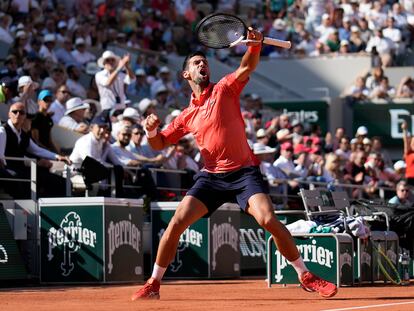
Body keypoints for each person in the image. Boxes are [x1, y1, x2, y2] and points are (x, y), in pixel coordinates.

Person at [131, 27, 337, 300]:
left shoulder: (225, 88)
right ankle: (153, 284)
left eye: (204, 61)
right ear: (186, 74)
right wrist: (151, 131)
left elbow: (246, 67)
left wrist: (254, 45)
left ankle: (305, 275)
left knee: (267, 219)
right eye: (196, 62)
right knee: (175, 224)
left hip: (243, 173)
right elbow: (159, 144)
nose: (202, 64)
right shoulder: (186, 115)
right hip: (211, 178)